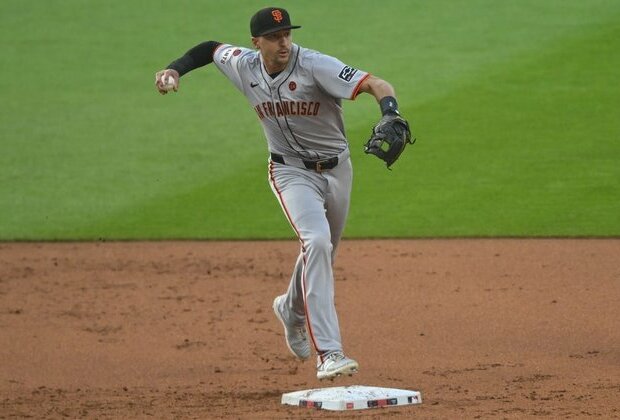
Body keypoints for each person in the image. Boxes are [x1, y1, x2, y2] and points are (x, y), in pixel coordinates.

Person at [155, 7, 411, 380]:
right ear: (256, 42)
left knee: (323, 251)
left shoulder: (315, 65)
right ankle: (330, 353)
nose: (284, 43)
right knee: (317, 243)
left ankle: (290, 311)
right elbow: (210, 49)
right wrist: (174, 69)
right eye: (275, 37)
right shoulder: (243, 65)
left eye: (287, 34)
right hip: (289, 172)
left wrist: (390, 112)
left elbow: (377, 84)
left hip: (337, 170)